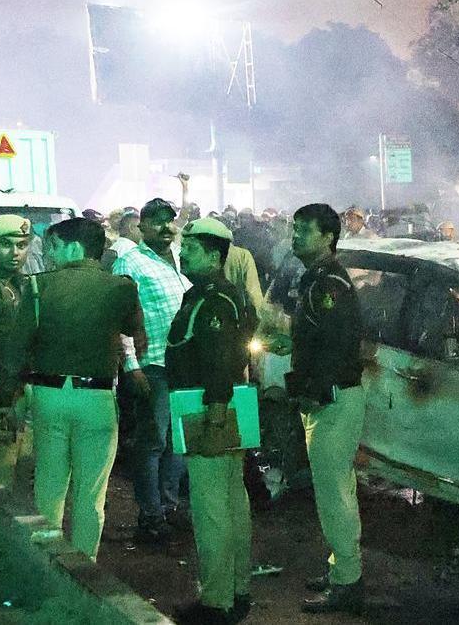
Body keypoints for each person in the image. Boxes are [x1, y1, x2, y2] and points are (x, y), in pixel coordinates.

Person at [0, 217, 143, 560]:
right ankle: (86, 568)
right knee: (91, 494)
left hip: (48, 396)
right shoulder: (121, 288)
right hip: (97, 400)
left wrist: (7, 398)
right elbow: (136, 333)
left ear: (74, 247)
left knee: (49, 486)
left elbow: (16, 350)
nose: (47, 255)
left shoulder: (38, 287)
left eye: (53, 247)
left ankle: (47, 565)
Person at [266, 203, 370, 613]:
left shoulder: (330, 284)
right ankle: (342, 568)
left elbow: (340, 344)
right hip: (329, 395)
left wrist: (314, 387)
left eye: (304, 230)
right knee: (338, 489)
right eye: (294, 229)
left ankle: (347, 582)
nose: (295, 236)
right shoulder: (317, 279)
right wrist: (293, 345)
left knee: (333, 495)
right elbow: (322, 337)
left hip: (333, 398)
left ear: (328, 237)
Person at [166, 219, 257, 624]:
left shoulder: (214, 300)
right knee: (233, 502)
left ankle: (216, 601)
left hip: (209, 407)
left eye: (191, 248)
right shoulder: (223, 294)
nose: (182, 252)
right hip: (225, 403)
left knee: (212, 508)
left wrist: (217, 409)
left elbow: (220, 355)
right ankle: (237, 590)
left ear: (215, 255)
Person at [112, 198, 192, 543]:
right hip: (152, 366)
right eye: (157, 222)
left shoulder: (175, 259)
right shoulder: (130, 263)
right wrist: (131, 366)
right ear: (141, 226)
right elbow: (118, 319)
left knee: (178, 442)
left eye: (170, 221)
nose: (166, 228)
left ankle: (169, 506)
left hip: (181, 366)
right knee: (153, 443)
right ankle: (150, 515)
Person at [0, 215, 32, 488]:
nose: (15, 252)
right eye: (5, 244)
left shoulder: (18, 283)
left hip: (11, 386)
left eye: (22, 244)